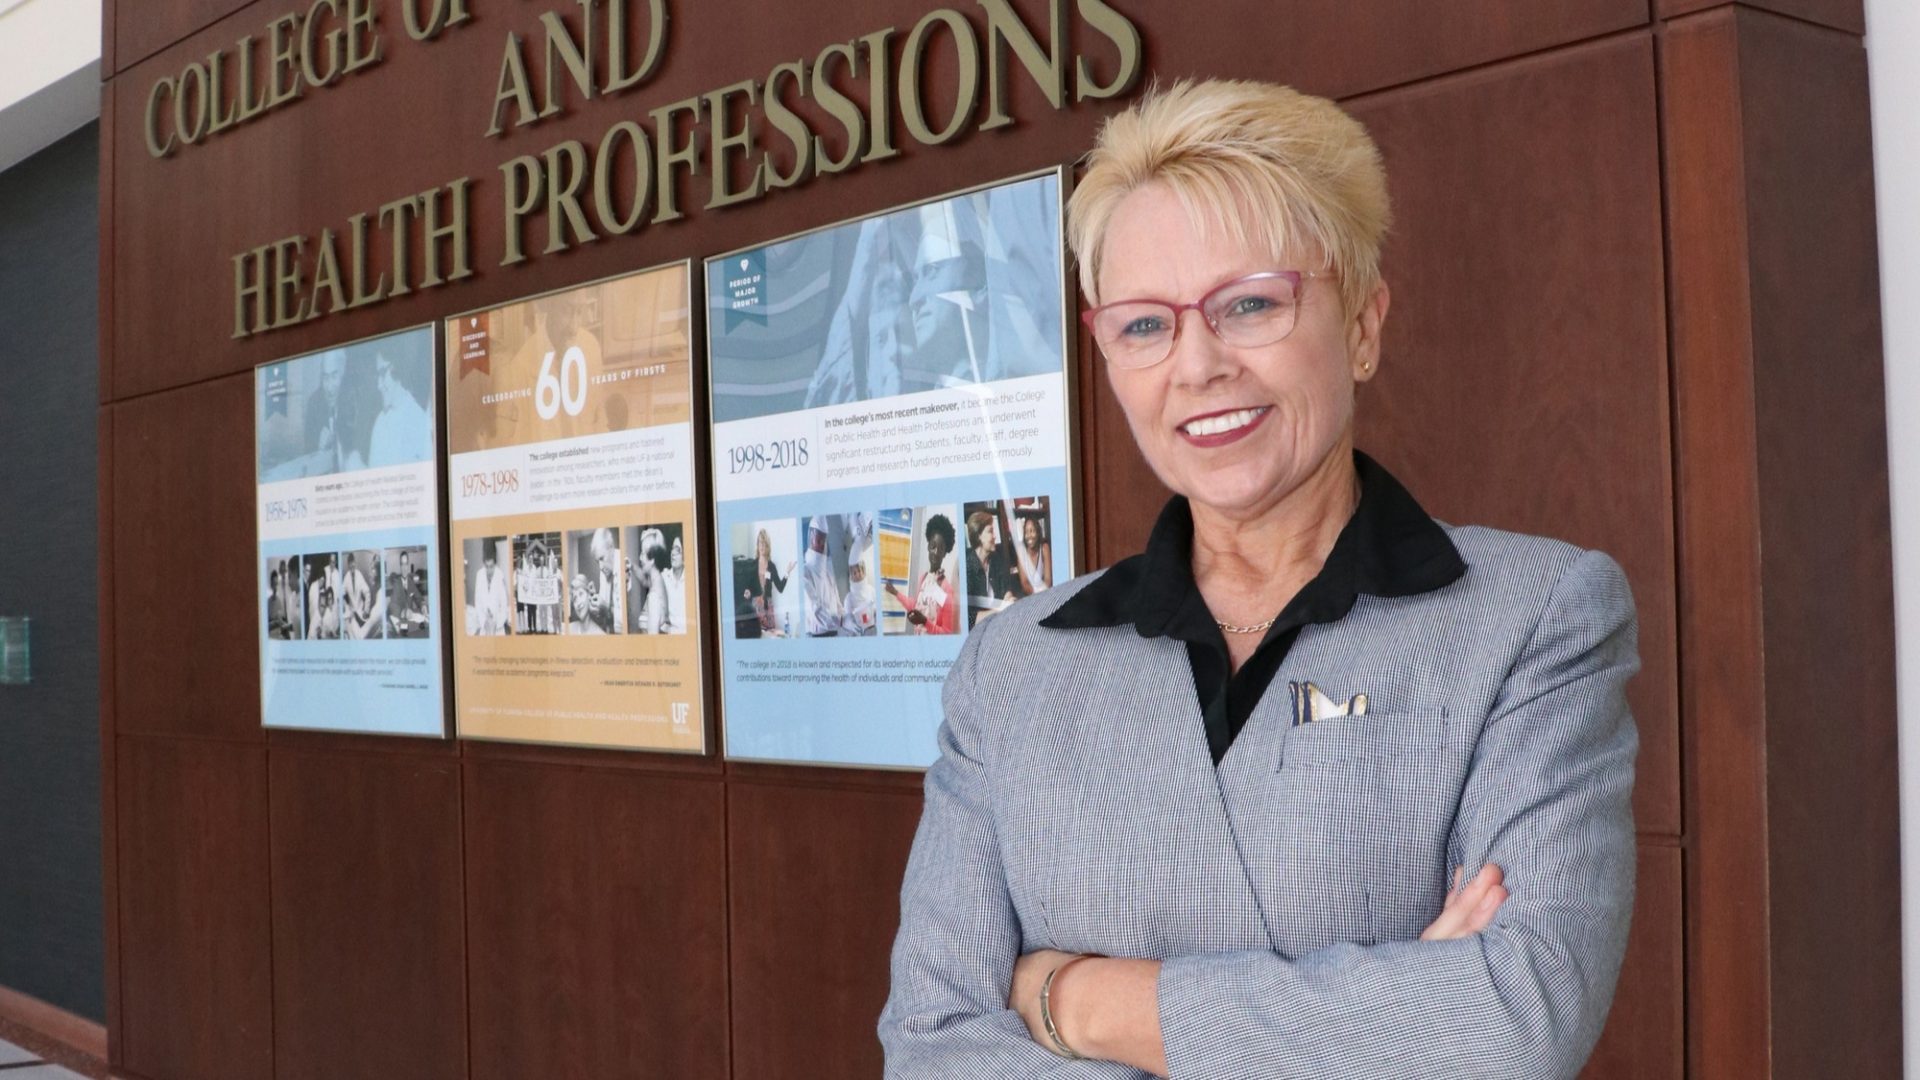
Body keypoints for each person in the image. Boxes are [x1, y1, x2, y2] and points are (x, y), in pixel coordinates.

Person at [880, 80, 1638, 1078]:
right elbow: (932, 1047)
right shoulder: (1011, 667)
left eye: (1250, 305)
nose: (1197, 365)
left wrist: (1079, 1001)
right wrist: (1394, 1026)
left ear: (1362, 325)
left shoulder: (1534, 619)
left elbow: (1512, 1019)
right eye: (1144, 326)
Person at [886, 513, 957, 636]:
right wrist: (895, 592)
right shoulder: (923, 578)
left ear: (945, 553)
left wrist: (924, 621)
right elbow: (915, 605)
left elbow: (947, 633)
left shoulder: (946, 589)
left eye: (941, 549)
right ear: (928, 547)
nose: (935, 552)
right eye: (933, 546)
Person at [368, 351, 431, 467]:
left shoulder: (418, 419)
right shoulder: (380, 420)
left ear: (396, 368)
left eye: (382, 373)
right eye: (377, 376)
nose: (379, 385)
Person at [802, 516, 847, 637]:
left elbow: (838, 605)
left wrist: (846, 618)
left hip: (835, 633)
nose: (821, 544)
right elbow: (815, 610)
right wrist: (840, 622)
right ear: (811, 538)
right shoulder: (805, 572)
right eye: (818, 539)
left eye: (824, 540)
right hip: (816, 637)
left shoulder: (828, 573)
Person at [754, 528, 794, 637]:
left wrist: (787, 572)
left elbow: (780, 588)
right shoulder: (752, 565)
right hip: (756, 607)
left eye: (764, 543)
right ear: (757, 545)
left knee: (771, 635)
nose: (762, 546)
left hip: (768, 608)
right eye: (760, 543)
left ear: (768, 546)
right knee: (758, 635)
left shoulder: (771, 566)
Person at [473, 542, 510, 636]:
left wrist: (496, 623)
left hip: (498, 626)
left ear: (495, 563)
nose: (489, 571)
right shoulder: (479, 575)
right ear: (483, 563)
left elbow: (504, 606)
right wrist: (484, 622)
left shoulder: (500, 575)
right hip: (484, 625)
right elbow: (477, 602)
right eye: (487, 566)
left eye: (491, 566)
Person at [662, 532, 690, 636]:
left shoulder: (691, 579)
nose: (673, 553)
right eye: (672, 548)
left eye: (677, 550)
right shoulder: (664, 577)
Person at [1015, 514, 1052, 593]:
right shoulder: (1021, 552)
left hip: (1044, 592)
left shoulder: (1044, 548)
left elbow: (1048, 580)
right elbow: (1024, 583)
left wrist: (1042, 593)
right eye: (1026, 532)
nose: (1029, 536)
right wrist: (1036, 593)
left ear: (1038, 533)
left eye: (1032, 531)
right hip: (1029, 594)